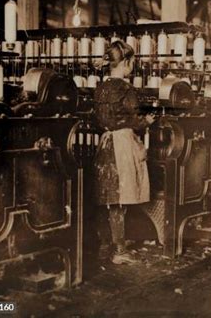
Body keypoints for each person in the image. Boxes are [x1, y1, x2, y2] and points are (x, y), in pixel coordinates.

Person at [93, 40, 155, 264]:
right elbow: (136, 119)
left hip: (106, 143)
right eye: (132, 63)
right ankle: (120, 251)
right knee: (120, 198)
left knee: (107, 197)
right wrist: (146, 121)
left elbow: (101, 118)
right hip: (122, 145)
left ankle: (105, 245)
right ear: (127, 63)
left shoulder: (101, 87)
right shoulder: (127, 89)